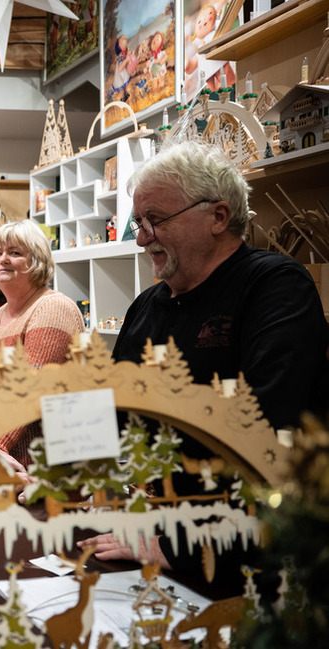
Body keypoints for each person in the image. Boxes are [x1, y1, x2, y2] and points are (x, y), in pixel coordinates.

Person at [83, 140, 329, 573]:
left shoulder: (274, 287)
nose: (141, 238)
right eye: (138, 222)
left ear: (218, 216)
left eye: (154, 220)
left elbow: (264, 432)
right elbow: (113, 412)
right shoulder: (145, 306)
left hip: (246, 556)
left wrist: (171, 546)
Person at [0, 219, 85, 468]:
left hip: (44, 474)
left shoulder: (53, 308)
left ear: (38, 261)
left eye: (15, 253)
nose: (3, 259)